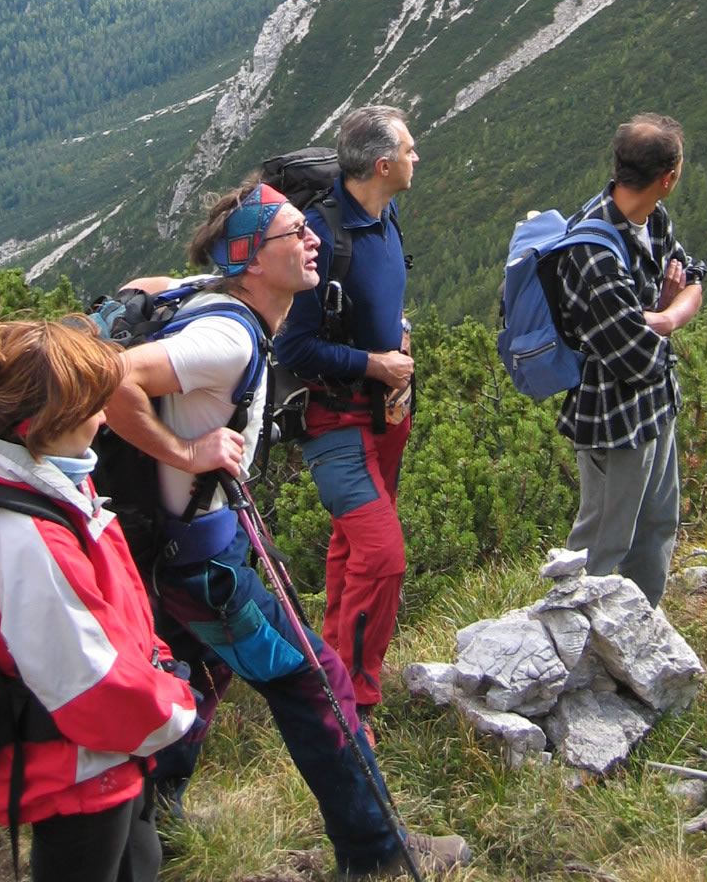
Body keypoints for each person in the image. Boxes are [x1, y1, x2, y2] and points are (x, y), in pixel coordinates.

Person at [103, 180, 468, 880]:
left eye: (309, 228)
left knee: (197, 671)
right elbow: (111, 375)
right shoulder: (225, 337)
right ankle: (377, 853)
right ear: (250, 261)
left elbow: (146, 288)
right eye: (295, 233)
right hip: (204, 564)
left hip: (182, 547)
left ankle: (152, 817)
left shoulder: (212, 294)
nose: (313, 240)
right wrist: (185, 452)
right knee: (315, 684)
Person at [0, 317, 200, 882]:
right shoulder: (27, 535)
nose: (104, 418)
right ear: (50, 420)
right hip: (76, 768)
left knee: (141, 861)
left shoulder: (49, 483)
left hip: (106, 753)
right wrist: (176, 706)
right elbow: (88, 679)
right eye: (92, 407)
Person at [273, 106, 418, 731]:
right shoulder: (320, 236)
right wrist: (374, 363)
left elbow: (375, 297)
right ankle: (354, 706)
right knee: (382, 555)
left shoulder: (384, 215)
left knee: (352, 546)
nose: (417, 158)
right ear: (382, 165)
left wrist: (395, 337)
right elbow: (293, 347)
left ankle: (330, 678)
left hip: (385, 414)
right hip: (337, 421)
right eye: (409, 150)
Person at [553, 113, 706, 608]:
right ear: (669, 177)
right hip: (613, 422)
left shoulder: (652, 219)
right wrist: (668, 312)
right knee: (602, 542)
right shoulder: (593, 251)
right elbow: (637, 360)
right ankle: (573, 630)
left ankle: (639, 627)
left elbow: (694, 279)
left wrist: (663, 316)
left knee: (656, 526)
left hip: (656, 408)